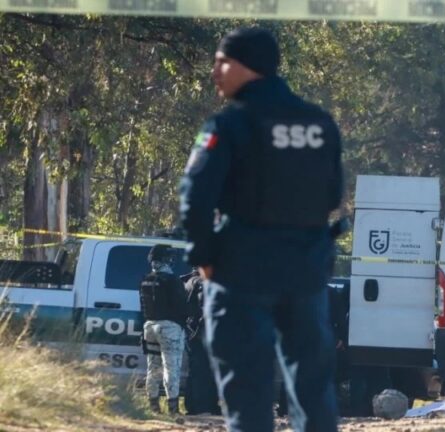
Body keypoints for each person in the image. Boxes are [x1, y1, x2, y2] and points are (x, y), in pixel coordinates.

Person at [179, 27, 343, 432]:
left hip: (242, 271)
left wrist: (204, 259)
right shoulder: (320, 123)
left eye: (222, 62)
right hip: (306, 269)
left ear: (246, 66)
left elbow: (195, 197)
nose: (214, 72)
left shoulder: (228, 124)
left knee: (247, 388)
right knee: (312, 387)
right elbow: (333, 195)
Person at [139, 244, 187, 415]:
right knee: (171, 368)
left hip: (149, 326)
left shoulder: (145, 280)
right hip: (169, 328)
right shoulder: (173, 280)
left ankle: (153, 407)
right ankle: (173, 409)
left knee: (152, 367)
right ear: (165, 259)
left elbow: (143, 307)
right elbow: (182, 306)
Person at [183, 267, 221, 415]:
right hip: (202, 332)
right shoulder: (201, 282)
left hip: (193, 331)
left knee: (196, 371)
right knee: (204, 371)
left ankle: (194, 406)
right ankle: (204, 407)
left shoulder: (188, 281)